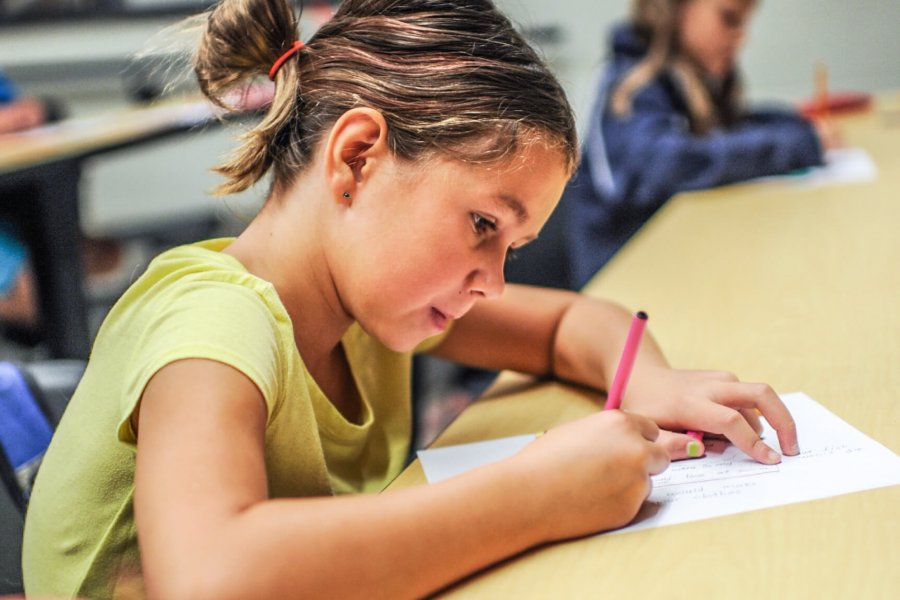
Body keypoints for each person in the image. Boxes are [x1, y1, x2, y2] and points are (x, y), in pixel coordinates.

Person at [22, 0, 799, 597]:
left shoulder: (370, 299)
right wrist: (533, 496)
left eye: (512, 249)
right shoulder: (213, 323)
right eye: (483, 224)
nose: (494, 281)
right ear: (357, 157)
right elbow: (208, 578)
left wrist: (651, 383)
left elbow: (572, 320)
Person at [544, 0, 841, 289]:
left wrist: (799, 127)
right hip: (624, 279)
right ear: (676, 7)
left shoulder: (688, 77)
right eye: (729, 18)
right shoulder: (631, 81)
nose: (741, 35)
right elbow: (668, 162)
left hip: (681, 258)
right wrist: (800, 144)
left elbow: (731, 127)